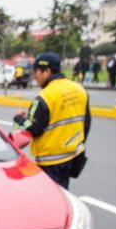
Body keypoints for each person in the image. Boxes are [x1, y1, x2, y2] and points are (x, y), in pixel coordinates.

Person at [12, 52, 91, 189]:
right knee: (63, 191)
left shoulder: (44, 97)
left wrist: (19, 118)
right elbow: (86, 123)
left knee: (52, 197)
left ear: (46, 71)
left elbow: (32, 129)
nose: (35, 77)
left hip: (50, 161)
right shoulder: (79, 89)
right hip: (73, 156)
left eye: (36, 72)